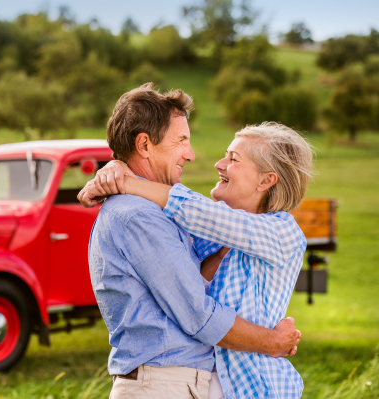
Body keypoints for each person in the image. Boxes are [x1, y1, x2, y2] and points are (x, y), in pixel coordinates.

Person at [80, 83, 301, 399]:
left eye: (233, 159)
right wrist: (274, 342)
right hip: (162, 385)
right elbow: (199, 314)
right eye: (181, 140)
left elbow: (198, 214)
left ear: (267, 180)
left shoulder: (243, 230)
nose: (194, 154)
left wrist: (122, 175)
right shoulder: (141, 216)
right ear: (144, 145)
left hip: (191, 383)